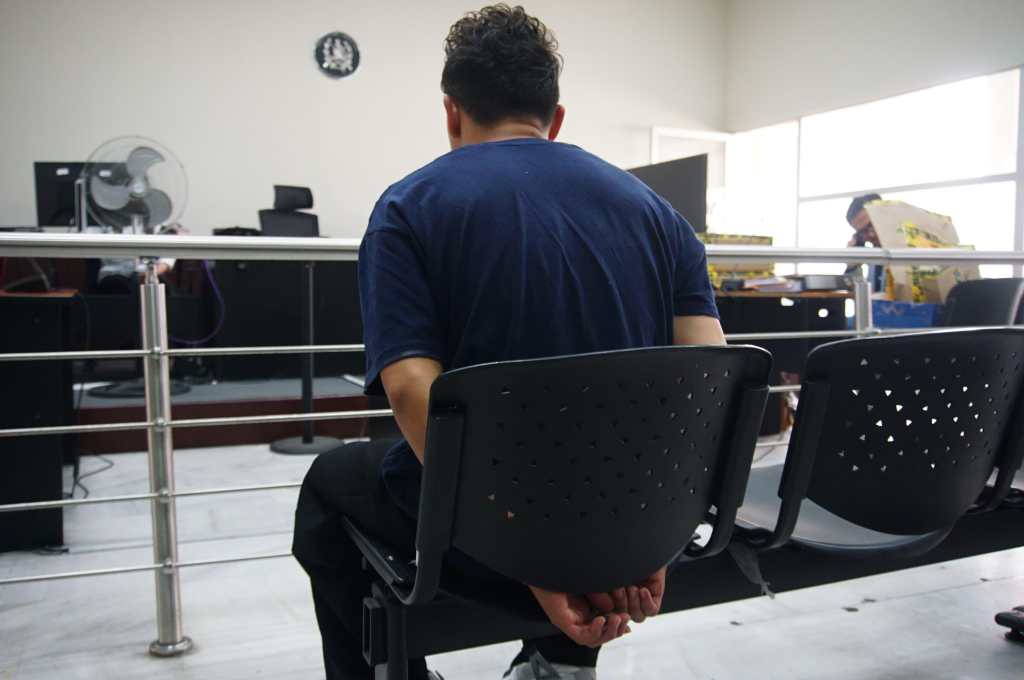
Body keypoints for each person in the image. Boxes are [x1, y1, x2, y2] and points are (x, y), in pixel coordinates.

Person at [291, 5, 726, 679]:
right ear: (555, 118)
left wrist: (532, 556)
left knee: (328, 486)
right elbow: (709, 380)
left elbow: (411, 393)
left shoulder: (408, 209)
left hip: (495, 538)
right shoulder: (659, 216)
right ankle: (560, 664)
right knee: (591, 439)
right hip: (629, 527)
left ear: (451, 112)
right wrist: (655, 538)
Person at [845, 193, 885, 291]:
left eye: (870, 225)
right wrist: (852, 266)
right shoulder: (874, 258)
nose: (870, 235)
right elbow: (859, 293)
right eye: (862, 232)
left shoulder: (909, 249)